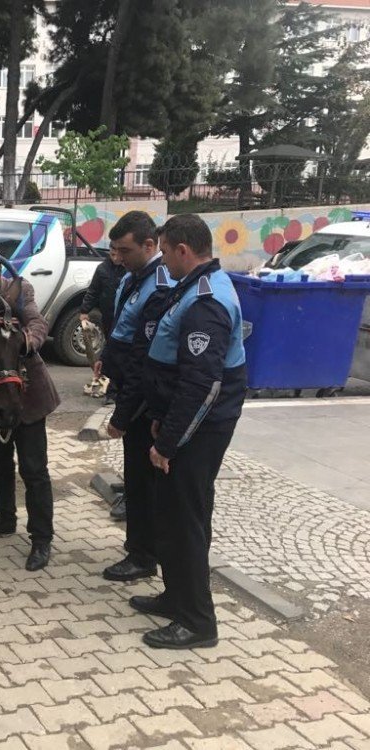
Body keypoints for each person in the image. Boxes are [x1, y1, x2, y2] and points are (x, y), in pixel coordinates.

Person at [135, 213, 246, 650]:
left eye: (164, 252)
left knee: (187, 522)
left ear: (183, 250)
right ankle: (176, 597)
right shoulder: (198, 284)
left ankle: (197, 622)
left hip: (200, 430)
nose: (162, 260)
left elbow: (203, 385)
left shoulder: (206, 301)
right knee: (174, 516)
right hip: (186, 425)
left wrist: (167, 443)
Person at [0, 255, 60, 571]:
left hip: (27, 393)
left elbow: (37, 324)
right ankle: (5, 518)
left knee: (34, 469)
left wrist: (22, 342)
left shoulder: (20, 291)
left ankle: (41, 539)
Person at [97, 211, 168, 581]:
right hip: (127, 386)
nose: (119, 257)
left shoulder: (159, 284)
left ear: (149, 245)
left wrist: (122, 416)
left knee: (142, 482)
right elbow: (122, 329)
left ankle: (142, 556)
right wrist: (104, 359)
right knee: (136, 479)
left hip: (143, 399)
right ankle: (139, 547)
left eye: (125, 250)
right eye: (115, 250)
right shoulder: (132, 277)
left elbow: (145, 360)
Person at [80, 245, 126, 336]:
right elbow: (93, 291)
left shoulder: (130, 268)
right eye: (113, 254)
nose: (116, 258)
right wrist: (84, 311)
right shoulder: (102, 268)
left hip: (124, 316)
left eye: (119, 254)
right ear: (110, 251)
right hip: (107, 315)